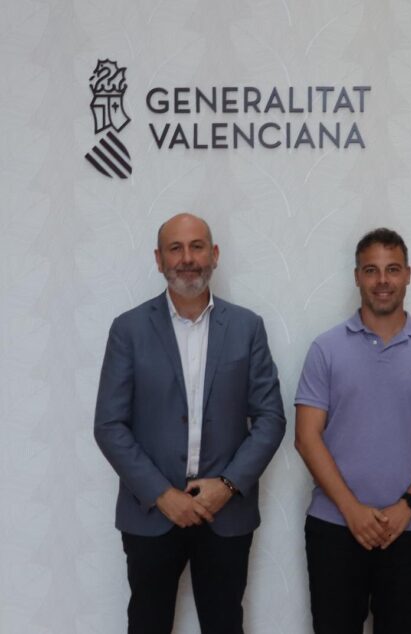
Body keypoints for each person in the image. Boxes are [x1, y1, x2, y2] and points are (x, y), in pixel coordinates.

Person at [94, 212, 285, 634]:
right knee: (147, 624)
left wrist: (228, 485)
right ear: (159, 259)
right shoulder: (128, 329)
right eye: (175, 248)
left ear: (214, 255)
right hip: (151, 513)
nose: (187, 258)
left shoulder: (247, 327)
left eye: (197, 247)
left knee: (224, 624)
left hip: (226, 514)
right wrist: (162, 494)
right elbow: (109, 424)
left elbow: (271, 418)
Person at [294, 228, 411, 634]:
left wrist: (406, 507)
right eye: (371, 270)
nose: (382, 280)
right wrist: (351, 510)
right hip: (335, 526)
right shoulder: (325, 348)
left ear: (408, 275)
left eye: (392, 269)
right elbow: (306, 437)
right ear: (357, 277)